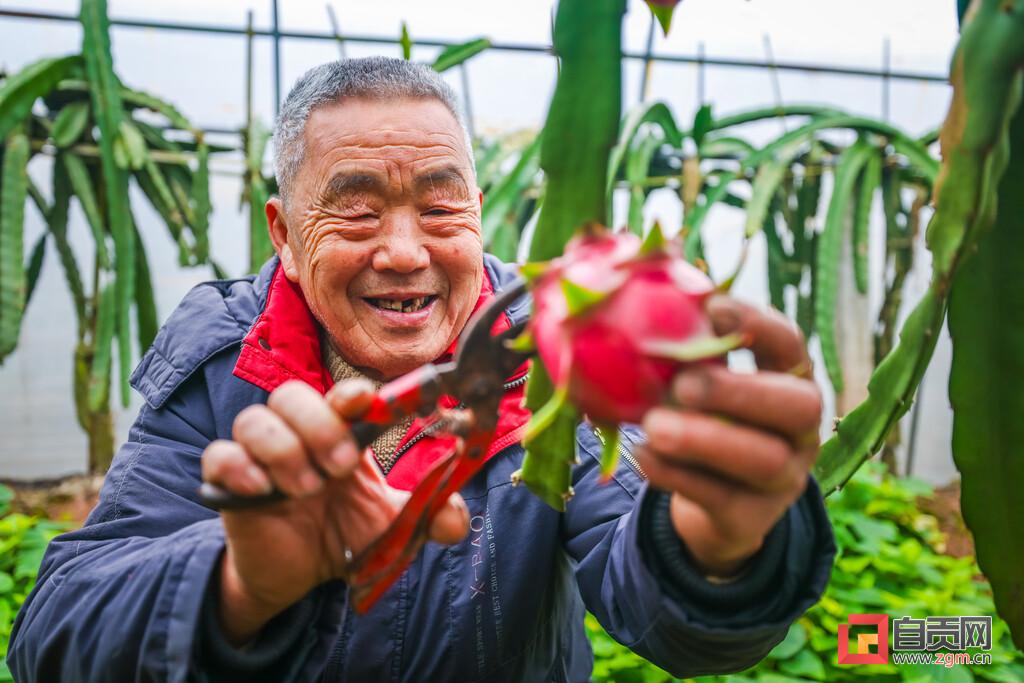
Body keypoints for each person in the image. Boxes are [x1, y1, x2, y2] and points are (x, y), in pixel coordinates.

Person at [8, 57, 835, 682]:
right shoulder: (223, 363)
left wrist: (713, 544)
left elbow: (649, 593)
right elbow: (56, 631)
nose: (404, 252)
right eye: (358, 209)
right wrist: (235, 582)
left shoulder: (555, 356)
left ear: (479, 213)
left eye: (441, 206)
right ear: (286, 237)